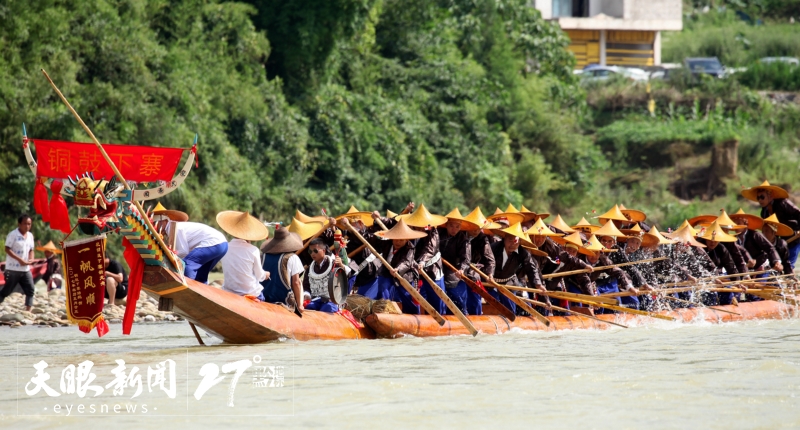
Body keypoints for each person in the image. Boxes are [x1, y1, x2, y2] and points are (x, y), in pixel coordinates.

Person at [152, 204, 228, 284]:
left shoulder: (173, 227)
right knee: (200, 274)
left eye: (156, 223)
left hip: (214, 242)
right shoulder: (173, 228)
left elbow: (183, 252)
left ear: (164, 221)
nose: (155, 227)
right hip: (223, 244)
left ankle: (188, 291)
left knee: (188, 265)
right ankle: (201, 293)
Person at [488, 223, 547, 315]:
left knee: (509, 304)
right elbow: (487, 262)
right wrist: (489, 274)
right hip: (489, 281)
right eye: (510, 240)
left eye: (515, 241)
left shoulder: (524, 253)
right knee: (492, 300)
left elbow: (531, 269)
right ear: (504, 239)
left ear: (519, 242)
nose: (512, 244)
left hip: (509, 283)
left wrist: (538, 285)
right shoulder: (493, 248)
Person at [742, 181, 800, 268]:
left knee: (789, 264)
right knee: (778, 263)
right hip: (781, 241)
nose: (760, 200)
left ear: (770, 196)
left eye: (762, 197)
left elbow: (798, 213)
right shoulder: (764, 212)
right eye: (758, 198)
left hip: (795, 237)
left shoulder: (783, 203)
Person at [218, 211, 270, 299]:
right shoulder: (253, 250)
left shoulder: (225, 246)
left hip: (228, 291)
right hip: (251, 293)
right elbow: (260, 276)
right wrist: (266, 274)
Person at [260, 226, 305, 311]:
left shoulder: (262, 256)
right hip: (284, 302)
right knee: (300, 282)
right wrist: (300, 305)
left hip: (263, 299)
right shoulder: (293, 257)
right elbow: (296, 283)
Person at [462, 208, 497, 316]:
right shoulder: (459, 234)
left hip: (474, 270)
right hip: (457, 268)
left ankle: (476, 315)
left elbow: (490, 259)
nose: (476, 231)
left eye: (479, 228)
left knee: (475, 283)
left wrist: (490, 274)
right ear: (467, 225)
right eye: (474, 227)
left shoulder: (482, 238)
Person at [439, 208, 473, 315]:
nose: (454, 229)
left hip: (454, 269)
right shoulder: (438, 233)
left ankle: (463, 314)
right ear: (446, 225)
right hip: (436, 266)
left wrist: (462, 270)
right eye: (451, 226)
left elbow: (466, 259)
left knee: (456, 295)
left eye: (457, 227)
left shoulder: (463, 239)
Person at [302, 238, 351, 313]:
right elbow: (306, 286)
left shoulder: (334, 264)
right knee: (309, 307)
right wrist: (307, 294)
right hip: (315, 300)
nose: (312, 254)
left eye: (315, 251)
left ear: (324, 250)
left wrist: (341, 265)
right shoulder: (310, 269)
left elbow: (347, 274)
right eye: (310, 251)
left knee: (327, 308)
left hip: (331, 301)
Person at [0, 214, 36, 311]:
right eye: (25, 224)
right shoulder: (13, 235)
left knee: (30, 289)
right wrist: (20, 260)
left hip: (25, 269)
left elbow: (31, 249)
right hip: (13, 269)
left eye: (29, 224)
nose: (27, 226)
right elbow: (7, 249)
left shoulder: (30, 236)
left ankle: (28, 311)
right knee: (6, 291)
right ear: (19, 224)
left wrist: (31, 259)